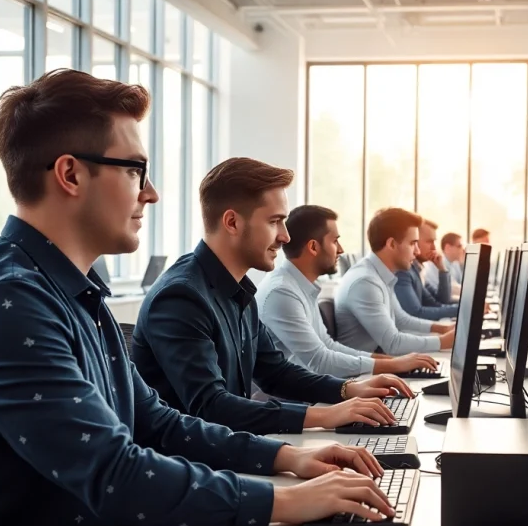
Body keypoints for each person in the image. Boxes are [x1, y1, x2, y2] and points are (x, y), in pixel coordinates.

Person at [0, 70, 392, 526]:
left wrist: (290, 458)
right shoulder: (7, 304)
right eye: (135, 171)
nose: (151, 194)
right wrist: (286, 501)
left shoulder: (74, 293)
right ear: (70, 175)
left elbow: (158, 422)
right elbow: (115, 473)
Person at [132, 158, 413, 437]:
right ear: (232, 222)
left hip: (231, 448)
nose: (285, 237)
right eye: (275, 221)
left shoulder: (238, 290)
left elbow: (275, 372)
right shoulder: (181, 297)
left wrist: (348, 390)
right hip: (194, 460)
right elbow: (212, 407)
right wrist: (327, 415)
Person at [255, 205, 438, 378]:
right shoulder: (282, 293)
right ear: (313, 247)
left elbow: (328, 346)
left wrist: (394, 362)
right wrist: (393, 365)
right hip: (289, 397)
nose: (341, 250)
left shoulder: (298, 285)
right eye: (335, 241)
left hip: (312, 388)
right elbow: (320, 360)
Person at [335, 207, 455, 355]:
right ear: (391, 244)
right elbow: (392, 343)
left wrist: (444, 329)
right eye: (412, 243)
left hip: (380, 362)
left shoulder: (380, 274)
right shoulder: (365, 282)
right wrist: (443, 341)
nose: (417, 251)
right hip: (365, 367)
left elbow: (401, 320)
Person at [394, 219, 459, 321]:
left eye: (434, 242)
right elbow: (416, 313)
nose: (434, 247)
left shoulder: (416, 270)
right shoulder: (404, 271)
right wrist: (464, 309)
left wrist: (442, 270)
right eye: (429, 241)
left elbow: (440, 301)